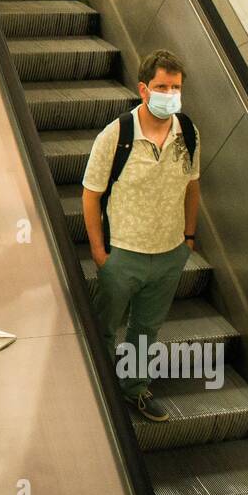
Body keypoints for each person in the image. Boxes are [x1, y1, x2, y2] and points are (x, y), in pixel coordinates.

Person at [82, 50, 200, 423]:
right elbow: (90, 194)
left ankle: (133, 389)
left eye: (176, 87)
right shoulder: (116, 134)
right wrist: (101, 253)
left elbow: (193, 187)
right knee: (104, 325)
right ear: (144, 89)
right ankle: (99, 389)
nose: (170, 93)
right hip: (124, 254)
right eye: (162, 86)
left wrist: (189, 238)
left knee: (146, 329)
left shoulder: (189, 133)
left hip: (169, 254)